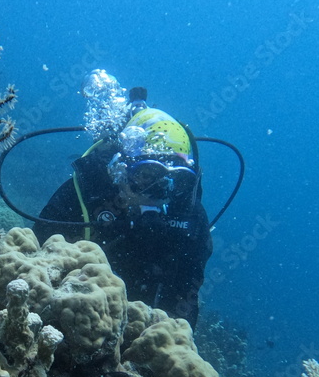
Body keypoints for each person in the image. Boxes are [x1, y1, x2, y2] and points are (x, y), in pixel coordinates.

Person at [33, 70, 212, 327]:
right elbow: (35, 262)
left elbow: (183, 306)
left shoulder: (189, 219)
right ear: (121, 169)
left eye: (175, 180)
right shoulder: (84, 194)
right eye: (147, 175)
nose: (158, 193)